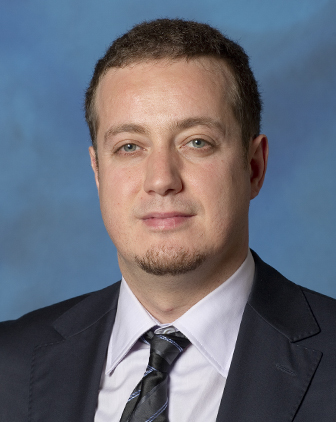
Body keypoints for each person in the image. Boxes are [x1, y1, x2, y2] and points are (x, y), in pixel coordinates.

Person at [0, 18, 335, 422]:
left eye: (197, 142)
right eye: (129, 147)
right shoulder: (10, 364)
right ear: (97, 172)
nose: (161, 179)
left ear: (254, 167)